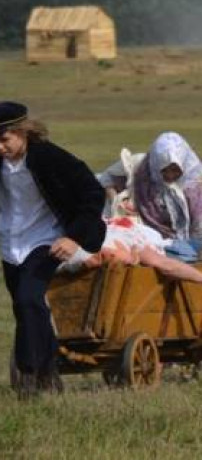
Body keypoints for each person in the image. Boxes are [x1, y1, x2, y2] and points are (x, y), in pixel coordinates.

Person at [0, 102, 106, 396]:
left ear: (22, 133)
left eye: (4, 140)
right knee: (26, 310)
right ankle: (49, 374)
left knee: (29, 299)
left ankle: (29, 377)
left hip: (46, 241)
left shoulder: (49, 157)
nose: (0, 147)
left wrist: (74, 237)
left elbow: (92, 192)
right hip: (10, 244)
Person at [62, 214, 202, 301]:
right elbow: (166, 265)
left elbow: (166, 264)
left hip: (157, 244)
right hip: (157, 247)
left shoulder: (125, 237)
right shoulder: (126, 238)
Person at [132, 132, 202, 261]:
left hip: (184, 243)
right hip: (147, 243)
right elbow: (106, 180)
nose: (170, 176)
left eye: (175, 171)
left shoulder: (191, 186)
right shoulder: (140, 172)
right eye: (165, 170)